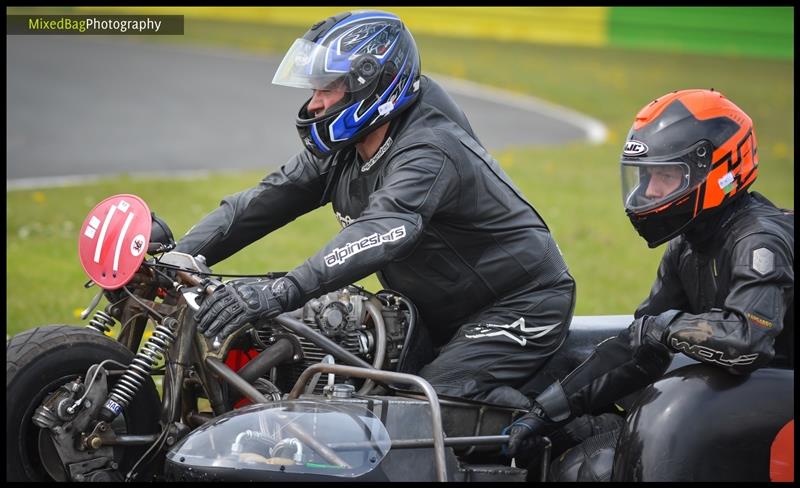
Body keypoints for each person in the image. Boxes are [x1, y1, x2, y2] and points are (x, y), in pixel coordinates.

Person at [173, 10, 576, 405]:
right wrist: (181, 256)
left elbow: (380, 230)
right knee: (346, 384)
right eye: (314, 89)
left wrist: (281, 290)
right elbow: (263, 200)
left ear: (372, 83)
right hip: (433, 308)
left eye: (328, 88)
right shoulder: (347, 143)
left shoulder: (431, 149)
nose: (315, 104)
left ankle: (542, 427)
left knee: (419, 411)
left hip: (520, 304)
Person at [506, 88, 794, 480]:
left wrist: (669, 328)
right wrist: (542, 413)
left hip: (775, 402)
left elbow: (748, 340)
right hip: (759, 403)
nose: (651, 192)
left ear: (719, 171)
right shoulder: (689, 242)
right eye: (647, 176)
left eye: (666, 175)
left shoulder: (759, 240)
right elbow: (640, 344)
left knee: (626, 449)